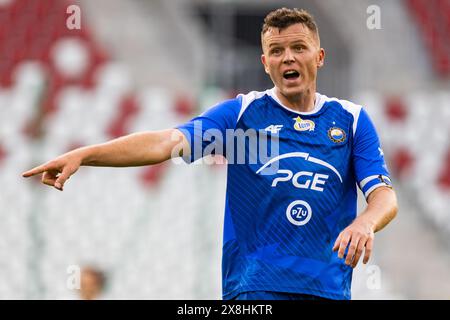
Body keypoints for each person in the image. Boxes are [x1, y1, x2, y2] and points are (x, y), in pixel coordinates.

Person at [23, 8, 398, 300]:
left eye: (298, 48)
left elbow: (384, 196)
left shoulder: (350, 121)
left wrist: (365, 222)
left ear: (318, 57)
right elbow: (165, 143)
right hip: (255, 287)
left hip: (327, 287)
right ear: (265, 63)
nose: (288, 58)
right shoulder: (241, 115)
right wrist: (86, 154)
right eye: (276, 51)